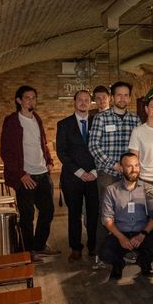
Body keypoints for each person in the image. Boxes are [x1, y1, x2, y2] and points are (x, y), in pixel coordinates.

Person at [1, 86, 58, 258]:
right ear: (19, 100)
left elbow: (42, 143)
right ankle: (27, 252)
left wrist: (49, 160)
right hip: (26, 176)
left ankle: (39, 246)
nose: (31, 101)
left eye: (34, 98)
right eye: (27, 98)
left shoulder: (37, 119)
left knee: (47, 212)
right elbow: (6, 152)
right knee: (27, 217)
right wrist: (21, 174)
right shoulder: (12, 121)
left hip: (43, 174)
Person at [88, 81, 141, 267]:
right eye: (119, 95)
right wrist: (115, 165)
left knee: (129, 213)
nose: (122, 98)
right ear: (112, 97)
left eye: (126, 95)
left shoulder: (135, 120)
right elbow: (93, 146)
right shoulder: (101, 118)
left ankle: (127, 251)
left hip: (129, 175)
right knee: (106, 214)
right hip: (108, 173)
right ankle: (100, 254)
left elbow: (139, 147)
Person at [100, 153, 153, 280]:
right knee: (104, 253)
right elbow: (107, 219)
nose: (134, 169)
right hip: (119, 233)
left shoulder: (148, 189)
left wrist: (142, 235)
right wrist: (121, 238)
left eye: (136, 165)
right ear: (121, 168)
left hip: (142, 232)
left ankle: (143, 261)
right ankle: (118, 263)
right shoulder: (111, 190)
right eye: (129, 166)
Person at [56, 90, 99, 262]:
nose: (83, 102)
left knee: (94, 213)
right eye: (80, 100)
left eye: (86, 100)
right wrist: (80, 172)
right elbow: (61, 152)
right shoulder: (63, 124)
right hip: (72, 177)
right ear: (74, 102)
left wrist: (94, 172)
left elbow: (102, 147)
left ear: (90, 103)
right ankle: (75, 247)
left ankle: (93, 245)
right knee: (74, 214)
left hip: (94, 176)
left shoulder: (97, 121)